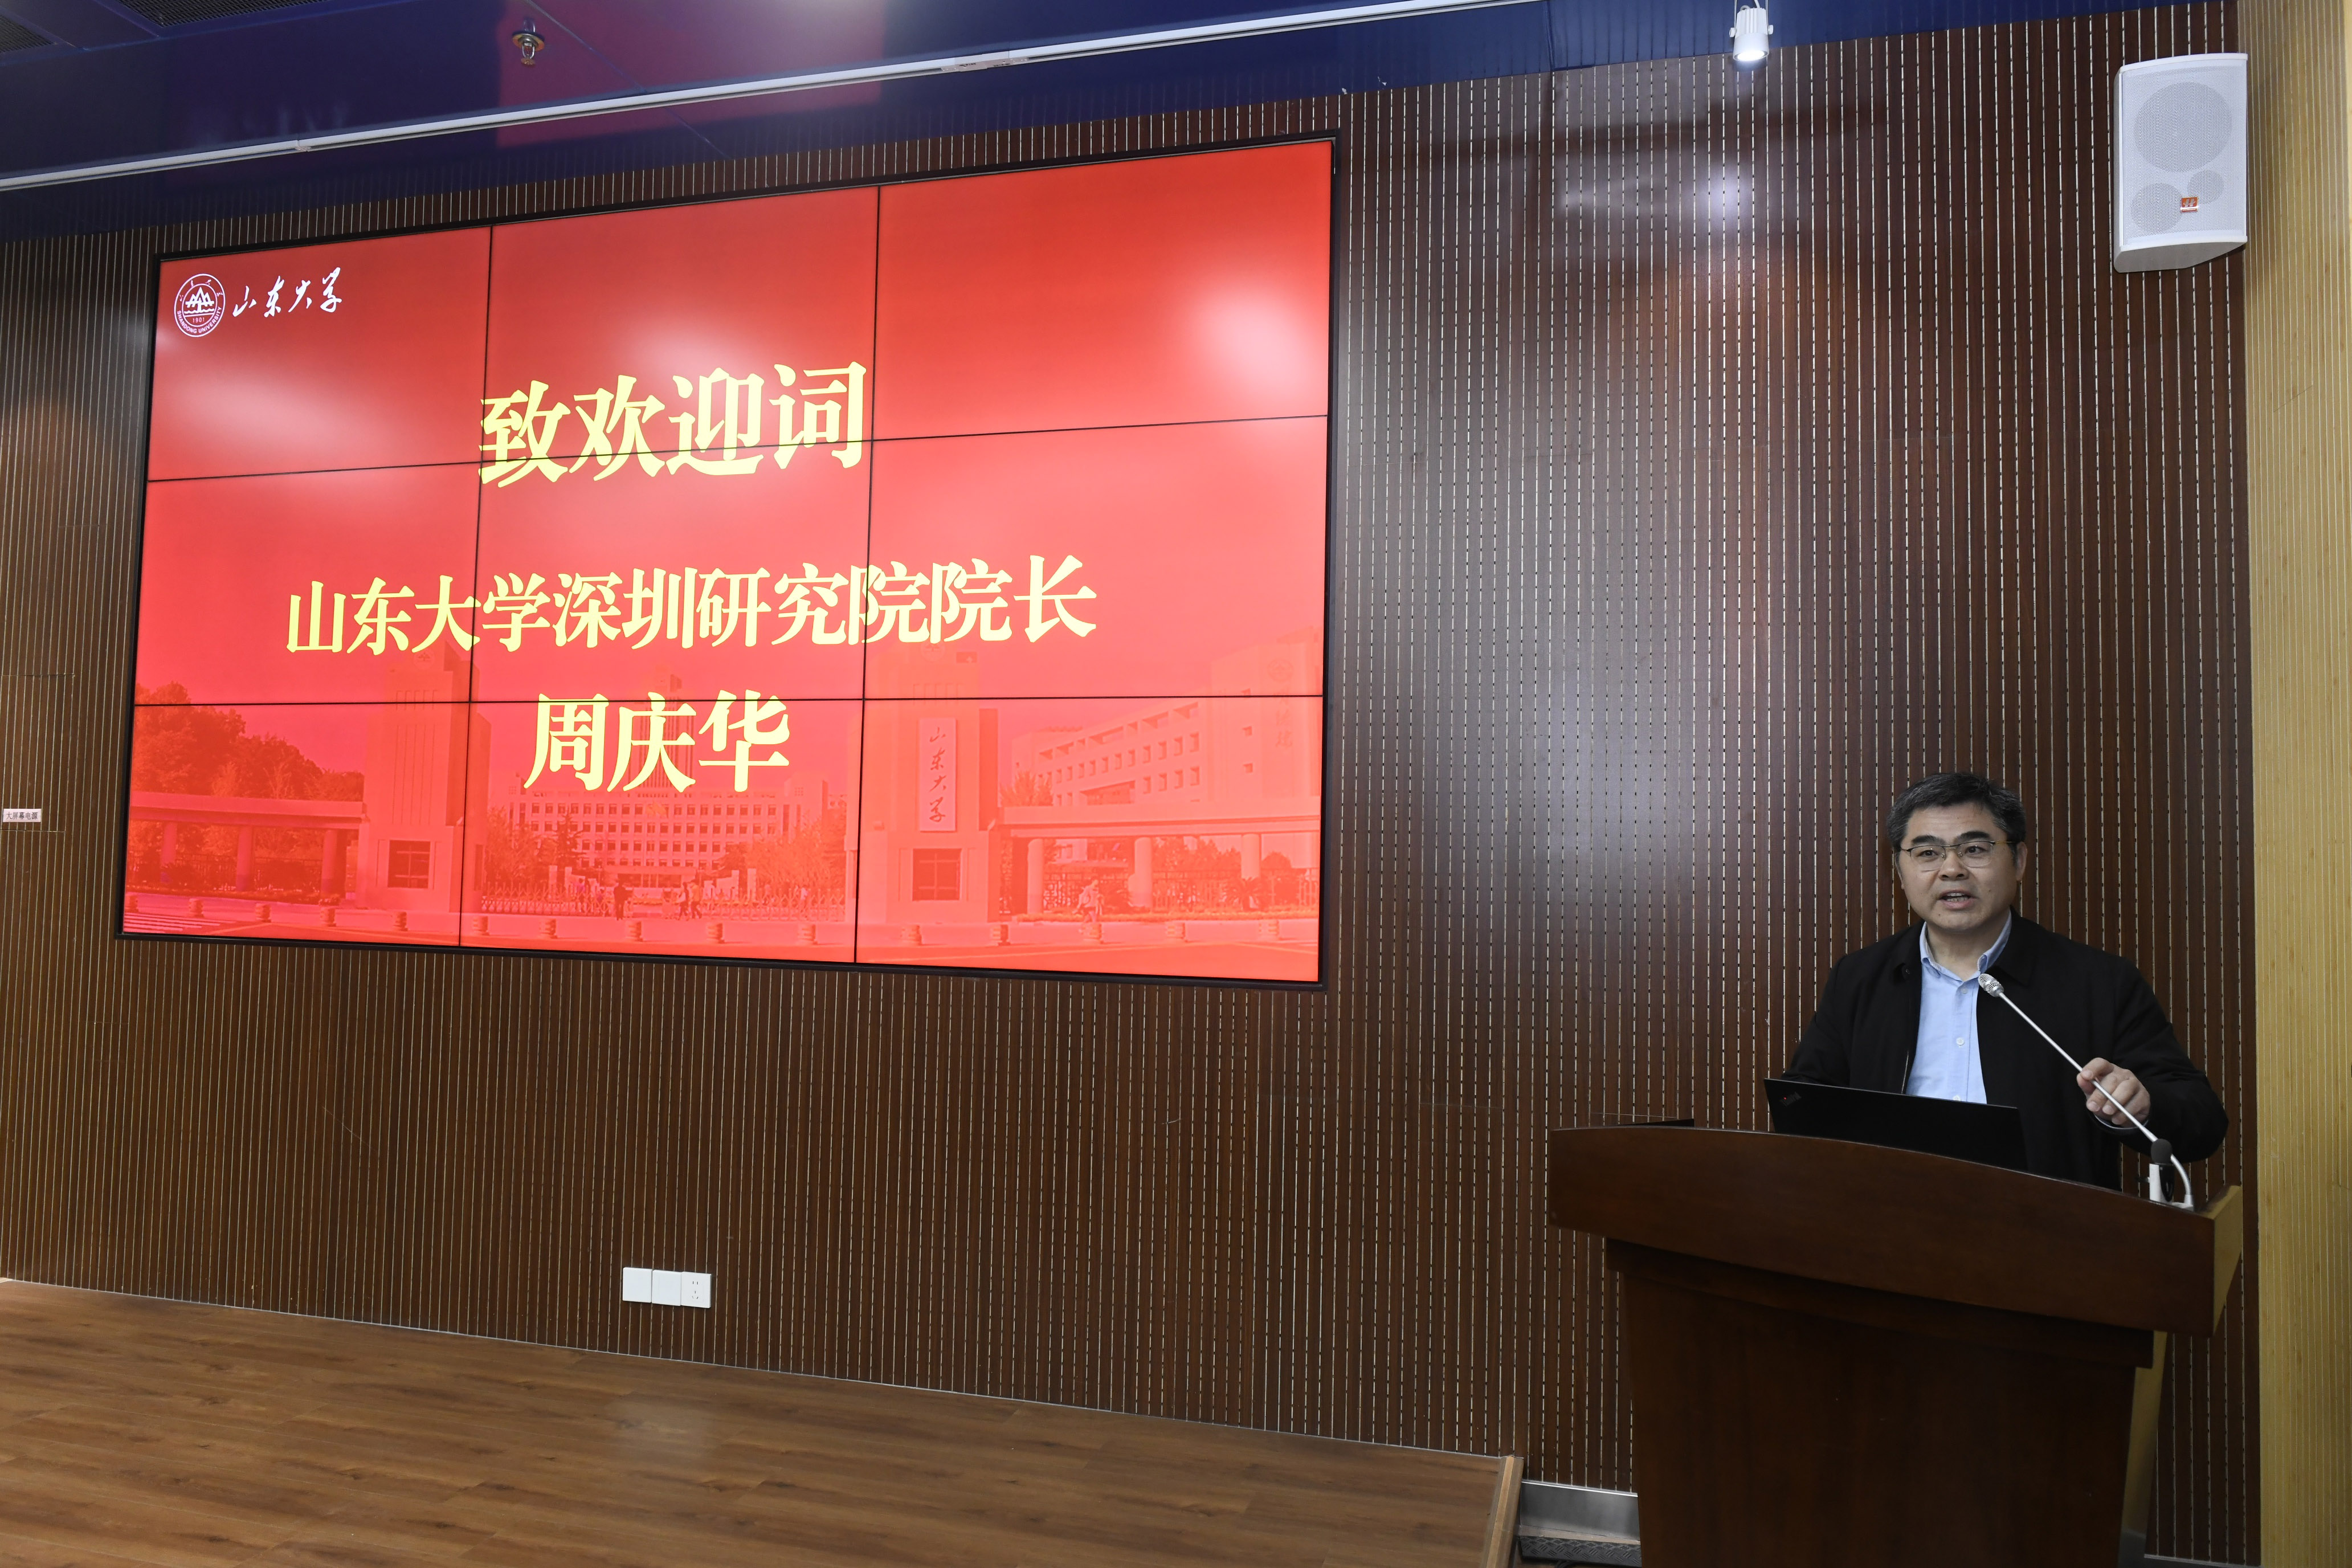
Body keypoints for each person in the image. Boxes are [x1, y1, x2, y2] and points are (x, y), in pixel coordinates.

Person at [1785, 772, 2226, 1189]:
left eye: (1975, 849)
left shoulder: (2099, 982)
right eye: (1928, 853)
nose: (1952, 869)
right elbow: (1802, 1107)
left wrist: (2143, 1104)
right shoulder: (1861, 978)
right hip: (1897, 1221)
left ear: (2018, 861)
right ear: (1900, 872)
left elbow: (2202, 1121)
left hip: (2046, 1228)